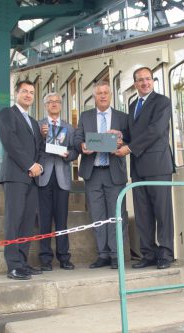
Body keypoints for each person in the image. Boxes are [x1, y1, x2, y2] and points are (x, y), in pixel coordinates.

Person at [115, 67, 175, 269]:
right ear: (135, 84)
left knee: (162, 212)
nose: (144, 83)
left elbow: (155, 131)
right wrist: (121, 136)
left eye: (148, 79)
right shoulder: (133, 105)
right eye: (140, 80)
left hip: (158, 165)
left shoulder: (162, 102)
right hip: (139, 167)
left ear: (153, 81)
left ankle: (166, 254)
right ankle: (148, 253)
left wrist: (129, 147)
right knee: (142, 213)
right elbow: (134, 132)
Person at [75, 81, 128, 269]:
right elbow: (77, 138)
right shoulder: (85, 116)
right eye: (99, 93)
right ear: (94, 96)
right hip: (93, 172)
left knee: (116, 215)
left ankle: (116, 255)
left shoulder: (123, 117)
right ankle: (103, 254)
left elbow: (130, 141)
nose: (103, 96)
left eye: (106, 92)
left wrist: (121, 141)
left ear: (111, 95)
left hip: (114, 173)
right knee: (98, 215)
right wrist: (82, 146)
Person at [0, 80, 45, 280]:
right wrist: (29, 165)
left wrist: (39, 166)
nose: (28, 95)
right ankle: (13, 265)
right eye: (24, 91)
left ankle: (23, 262)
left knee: (27, 223)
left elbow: (40, 147)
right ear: (16, 93)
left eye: (31, 93)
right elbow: (10, 142)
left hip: (32, 178)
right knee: (14, 221)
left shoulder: (34, 122)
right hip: (15, 176)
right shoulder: (7, 114)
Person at [37, 92, 78, 271]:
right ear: (45, 105)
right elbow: (32, 148)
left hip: (62, 177)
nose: (54, 104)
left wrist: (69, 154)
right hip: (44, 176)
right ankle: (45, 259)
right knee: (44, 220)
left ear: (61, 105)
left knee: (62, 220)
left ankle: (64, 257)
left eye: (57, 102)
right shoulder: (38, 126)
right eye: (50, 102)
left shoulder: (69, 128)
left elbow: (76, 150)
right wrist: (41, 137)